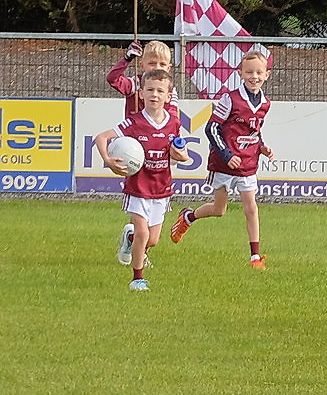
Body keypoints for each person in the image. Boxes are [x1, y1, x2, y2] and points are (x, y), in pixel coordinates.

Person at [169, 46, 273, 267]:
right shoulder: (230, 99)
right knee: (219, 210)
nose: (254, 77)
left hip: (248, 163)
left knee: (251, 207)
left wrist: (262, 147)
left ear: (266, 75)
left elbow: (255, 130)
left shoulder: (265, 103)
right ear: (240, 73)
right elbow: (212, 129)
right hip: (224, 163)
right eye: (249, 72)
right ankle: (189, 217)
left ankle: (255, 256)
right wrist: (227, 155)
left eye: (258, 73)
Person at [97, 68, 193, 290]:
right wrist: (108, 160)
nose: (155, 95)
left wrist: (180, 155)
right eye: (150, 90)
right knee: (142, 232)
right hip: (138, 188)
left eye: (160, 91)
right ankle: (137, 278)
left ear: (169, 96)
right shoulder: (134, 122)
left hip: (161, 189)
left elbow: (182, 154)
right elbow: (101, 138)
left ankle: (129, 239)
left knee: (152, 240)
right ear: (141, 93)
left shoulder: (173, 123)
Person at [107, 39, 173, 117]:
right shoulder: (135, 83)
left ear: (168, 68)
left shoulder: (169, 89)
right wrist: (127, 59)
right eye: (152, 63)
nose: (157, 68)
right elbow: (112, 78)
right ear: (142, 66)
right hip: (134, 128)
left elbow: (173, 115)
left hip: (157, 128)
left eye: (162, 64)